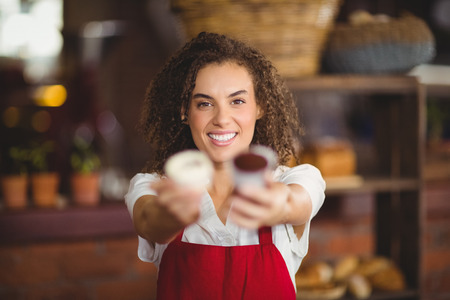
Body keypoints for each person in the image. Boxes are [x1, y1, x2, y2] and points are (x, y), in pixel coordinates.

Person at [125, 32, 325, 299]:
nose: (222, 118)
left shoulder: (296, 179)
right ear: (184, 111)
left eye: (237, 101)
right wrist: (172, 214)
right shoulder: (153, 186)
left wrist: (275, 204)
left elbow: (294, 203)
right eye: (205, 103)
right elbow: (148, 220)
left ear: (260, 107)